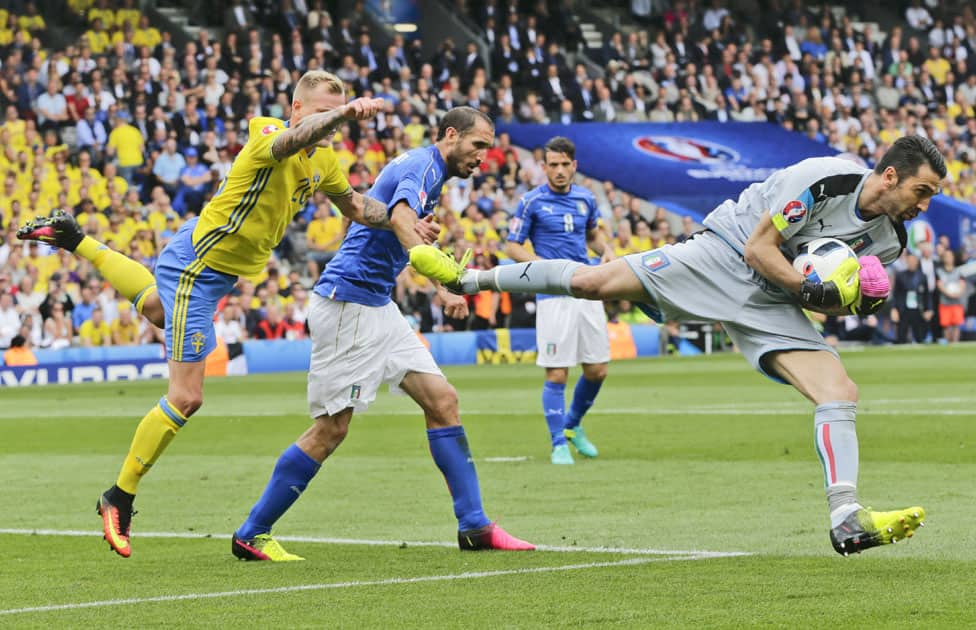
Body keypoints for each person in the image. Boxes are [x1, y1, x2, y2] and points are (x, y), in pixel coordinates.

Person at [414, 135, 944, 556]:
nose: (924, 205)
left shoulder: (888, 241)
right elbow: (762, 250)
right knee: (591, 284)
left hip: (770, 305)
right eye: (922, 191)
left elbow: (824, 296)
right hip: (724, 255)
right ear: (891, 175)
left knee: (839, 389)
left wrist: (848, 301)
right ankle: (472, 280)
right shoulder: (823, 178)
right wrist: (813, 290)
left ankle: (845, 515)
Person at [16, 70, 432, 559]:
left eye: (334, 118)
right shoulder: (268, 132)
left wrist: (404, 220)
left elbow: (358, 206)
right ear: (296, 109)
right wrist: (339, 114)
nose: (328, 126)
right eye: (319, 113)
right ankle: (118, 496)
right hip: (200, 266)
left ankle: (74, 238)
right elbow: (292, 141)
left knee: (155, 308)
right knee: (186, 396)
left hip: (211, 266)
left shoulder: (324, 159)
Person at [231, 106, 534, 562]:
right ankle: (252, 532)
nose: (483, 157)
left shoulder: (429, 170)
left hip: (377, 304)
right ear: (451, 135)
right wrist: (447, 279)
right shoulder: (422, 166)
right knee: (331, 429)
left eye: (488, 149)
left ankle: (474, 525)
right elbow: (399, 218)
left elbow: (404, 227)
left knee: (442, 400)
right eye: (478, 145)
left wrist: (435, 276)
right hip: (349, 302)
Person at [504, 136, 613, 465]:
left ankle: (572, 427)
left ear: (574, 166)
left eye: (566, 165)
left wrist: (606, 251)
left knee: (597, 370)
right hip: (553, 296)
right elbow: (512, 245)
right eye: (553, 165)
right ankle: (557, 444)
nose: (560, 171)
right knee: (557, 374)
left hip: (587, 288)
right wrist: (541, 268)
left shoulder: (586, 198)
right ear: (543, 167)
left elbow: (593, 235)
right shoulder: (531, 201)